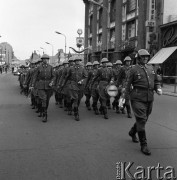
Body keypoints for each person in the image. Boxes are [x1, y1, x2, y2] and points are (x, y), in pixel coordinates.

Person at [125, 49, 162, 155]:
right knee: (141, 119)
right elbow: (127, 84)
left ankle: (132, 131)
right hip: (137, 98)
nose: (145, 58)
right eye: (143, 56)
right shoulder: (133, 69)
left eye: (147, 56)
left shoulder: (151, 68)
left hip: (149, 98)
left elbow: (156, 81)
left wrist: (158, 87)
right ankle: (144, 145)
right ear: (138, 58)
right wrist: (124, 98)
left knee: (144, 119)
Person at [61, 55, 87, 121]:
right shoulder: (71, 69)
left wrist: (82, 81)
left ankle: (73, 107)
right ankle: (76, 113)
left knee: (79, 99)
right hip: (73, 85)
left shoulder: (82, 68)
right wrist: (63, 84)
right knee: (75, 99)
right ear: (74, 62)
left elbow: (86, 77)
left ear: (80, 61)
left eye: (78, 61)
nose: (77, 62)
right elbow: (67, 77)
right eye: (76, 61)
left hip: (80, 86)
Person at [31, 54, 56, 122]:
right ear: (42, 60)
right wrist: (32, 84)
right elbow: (35, 77)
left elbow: (54, 76)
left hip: (49, 86)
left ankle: (43, 110)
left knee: (47, 100)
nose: (45, 60)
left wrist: (52, 82)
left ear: (48, 60)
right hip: (41, 85)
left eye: (46, 59)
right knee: (44, 99)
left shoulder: (51, 67)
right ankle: (45, 115)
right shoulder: (38, 67)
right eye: (44, 59)